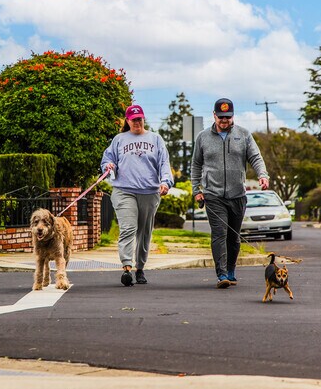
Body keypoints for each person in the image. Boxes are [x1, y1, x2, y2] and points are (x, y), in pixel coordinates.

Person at [191, 98, 269, 289]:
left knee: (233, 237)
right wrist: (196, 190)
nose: (224, 121)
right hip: (213, 194)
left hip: (237, 195)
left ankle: (232, 270)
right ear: (214, 115)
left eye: (228, 117)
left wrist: (263, 175)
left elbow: (255, 157)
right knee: (219, 233)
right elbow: (196, 164)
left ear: (233, 116)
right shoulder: (203, 137)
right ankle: (222, 274)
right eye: (221, 117)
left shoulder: (243, 135)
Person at [101, 104, 174, 286]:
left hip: (149, 192)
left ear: (144, 119)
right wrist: (108, 166)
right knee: (128, 228)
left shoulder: (156, 139)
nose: (137, 123)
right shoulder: (119, 139)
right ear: (127, 121)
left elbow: (164, 163)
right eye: (133, 120)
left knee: (144, 232)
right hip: (124, 190)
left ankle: (140, 267)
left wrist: (165, 182)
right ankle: (127, 267)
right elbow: (108, 158)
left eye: (139, 119)